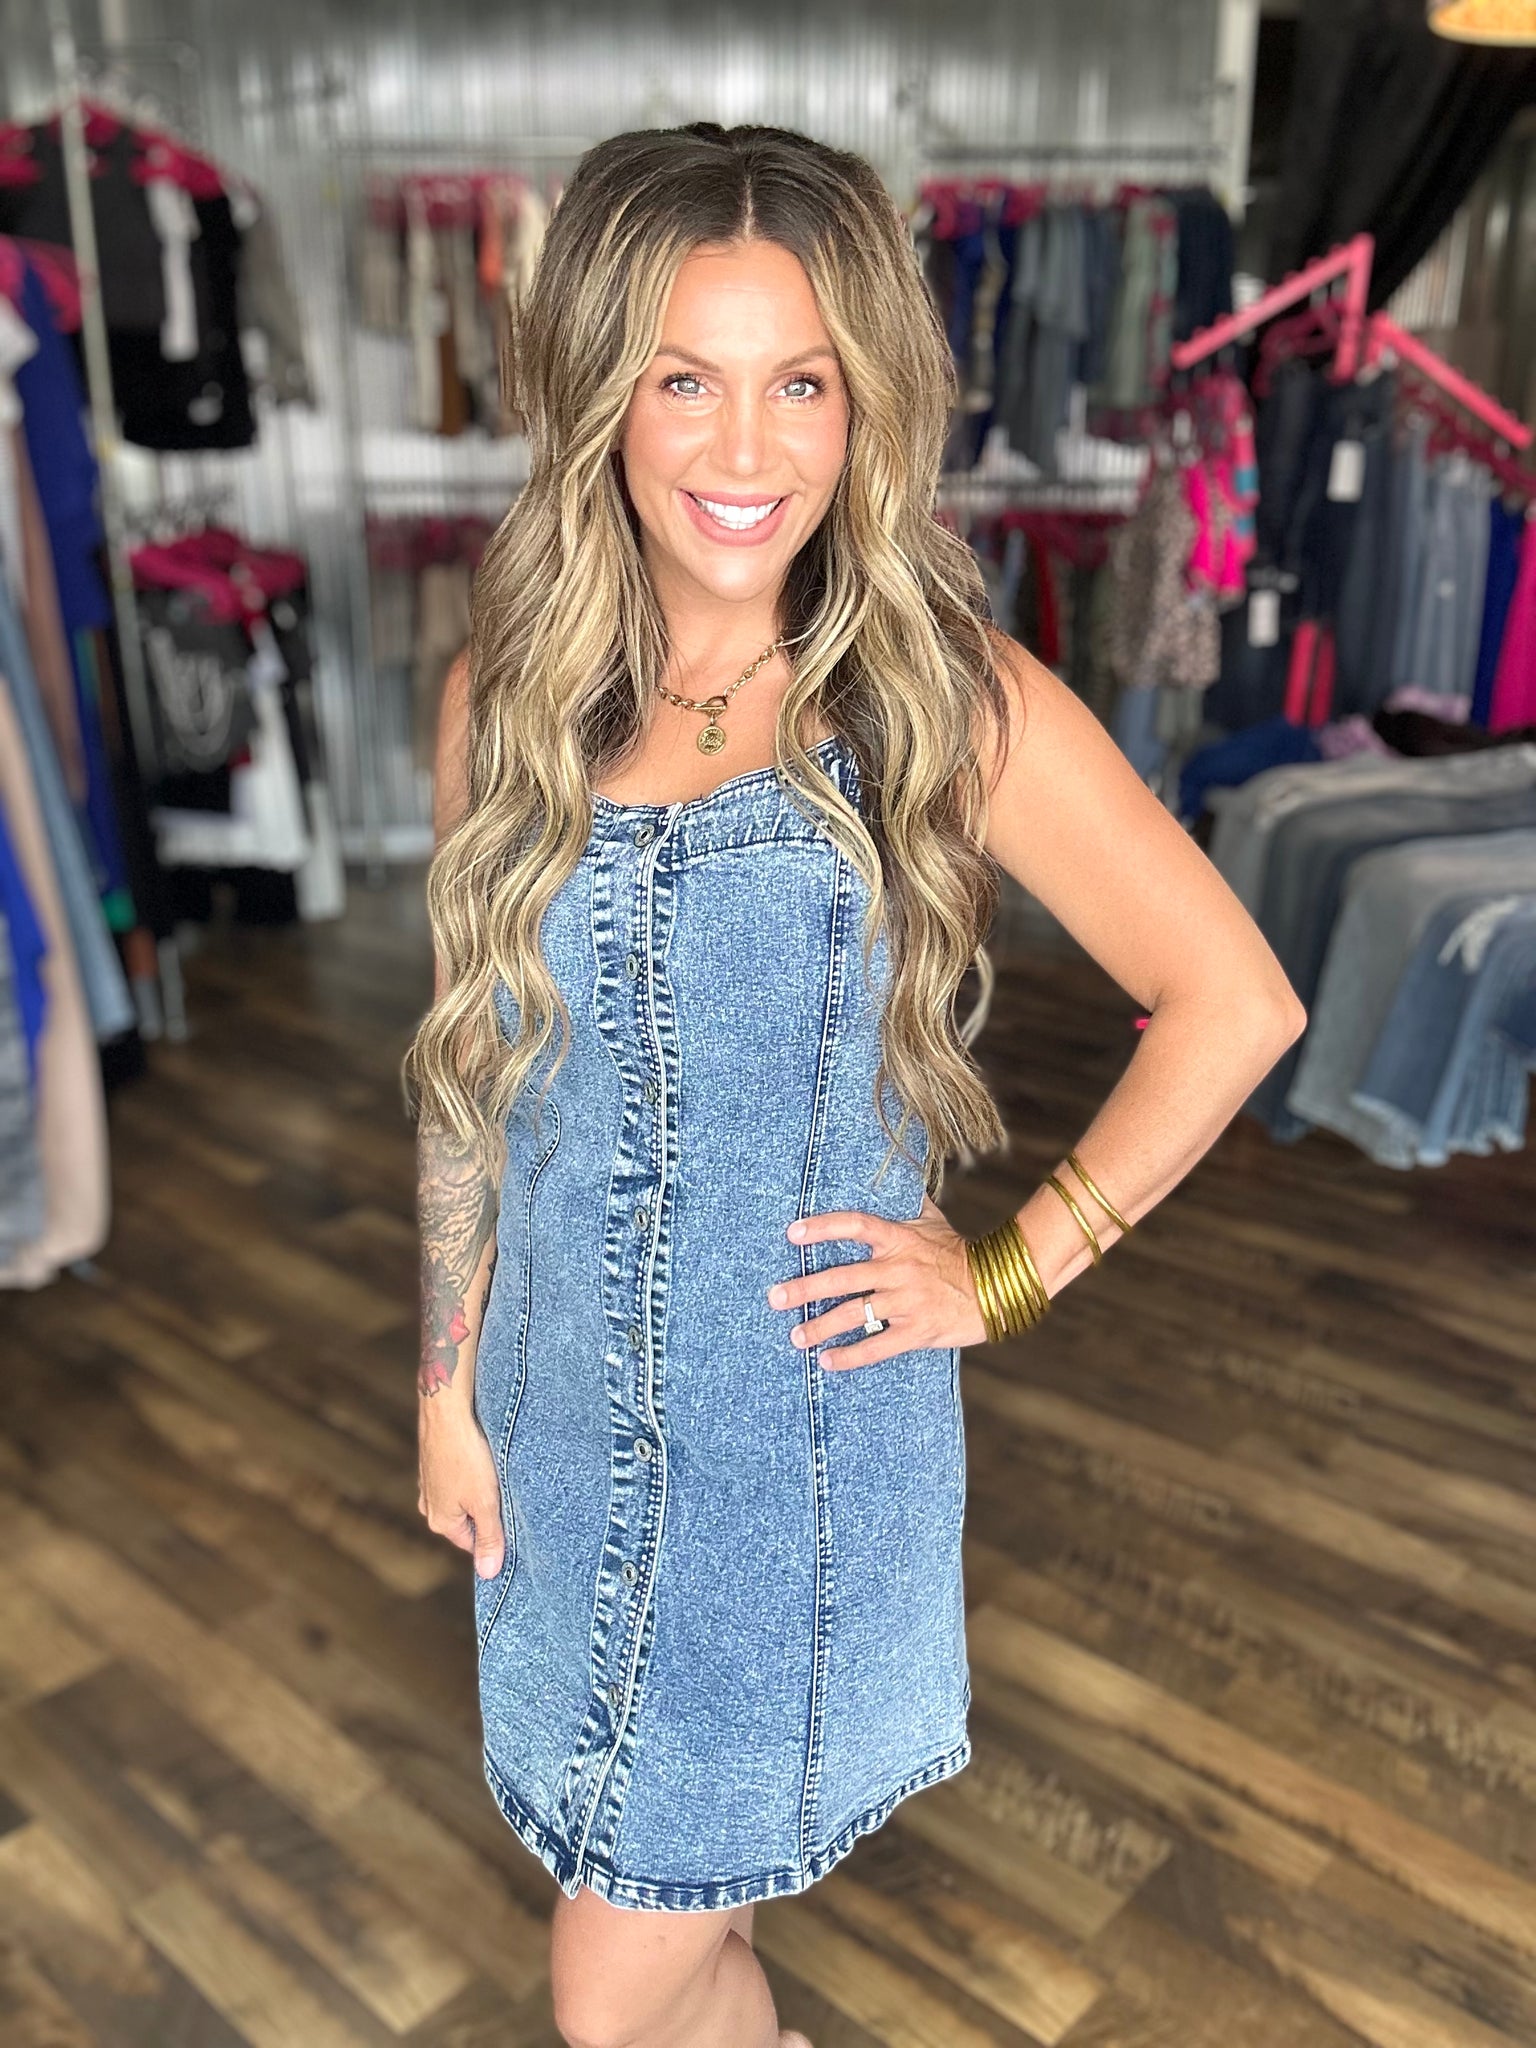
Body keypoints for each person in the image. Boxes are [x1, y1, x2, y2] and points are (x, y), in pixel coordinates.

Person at [404, 121, 1306, 2048]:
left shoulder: (941, 705)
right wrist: (442, 1390)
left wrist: (1009, 1271)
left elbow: (1232, 999)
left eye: (801, 383)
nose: (747, 449)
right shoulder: (502, 698)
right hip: (552, 1438)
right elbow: (471, 1067)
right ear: (600, 392)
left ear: (863, 399)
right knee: (685, 1920)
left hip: (787, 1473)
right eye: (686, 381)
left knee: (611, 1989)